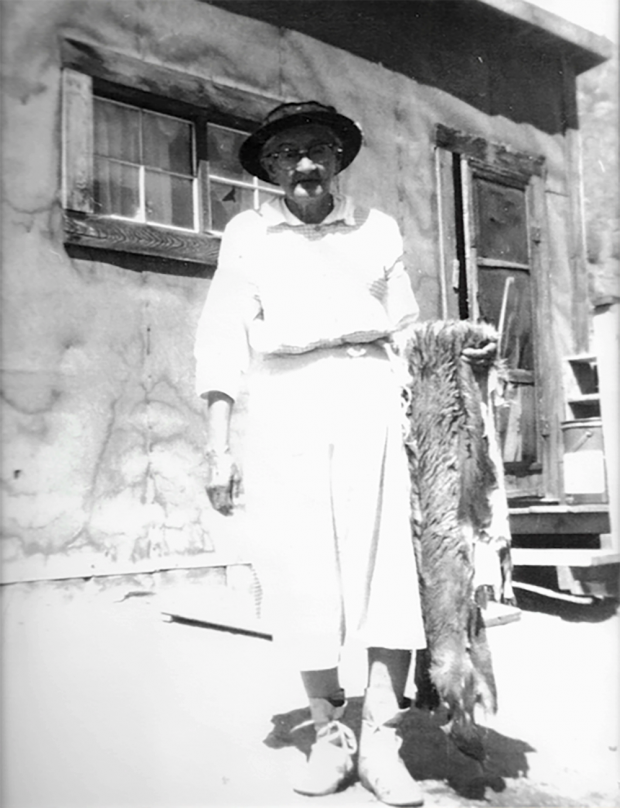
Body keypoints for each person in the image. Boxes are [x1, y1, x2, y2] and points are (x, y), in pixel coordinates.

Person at [194, 101, 487, 807]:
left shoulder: (376, 229)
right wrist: (219, 444)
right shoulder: (248, 235)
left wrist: (458, 350)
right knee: (301, 574)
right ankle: (330, 733)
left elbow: (410, 332)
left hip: (372, 400)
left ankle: (382, 737)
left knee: (385, 566)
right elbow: (221, 337)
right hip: (286, 402)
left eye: (319, 150)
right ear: (269, 167)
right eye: (288, 153)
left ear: (337, 160)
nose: (304, 165)